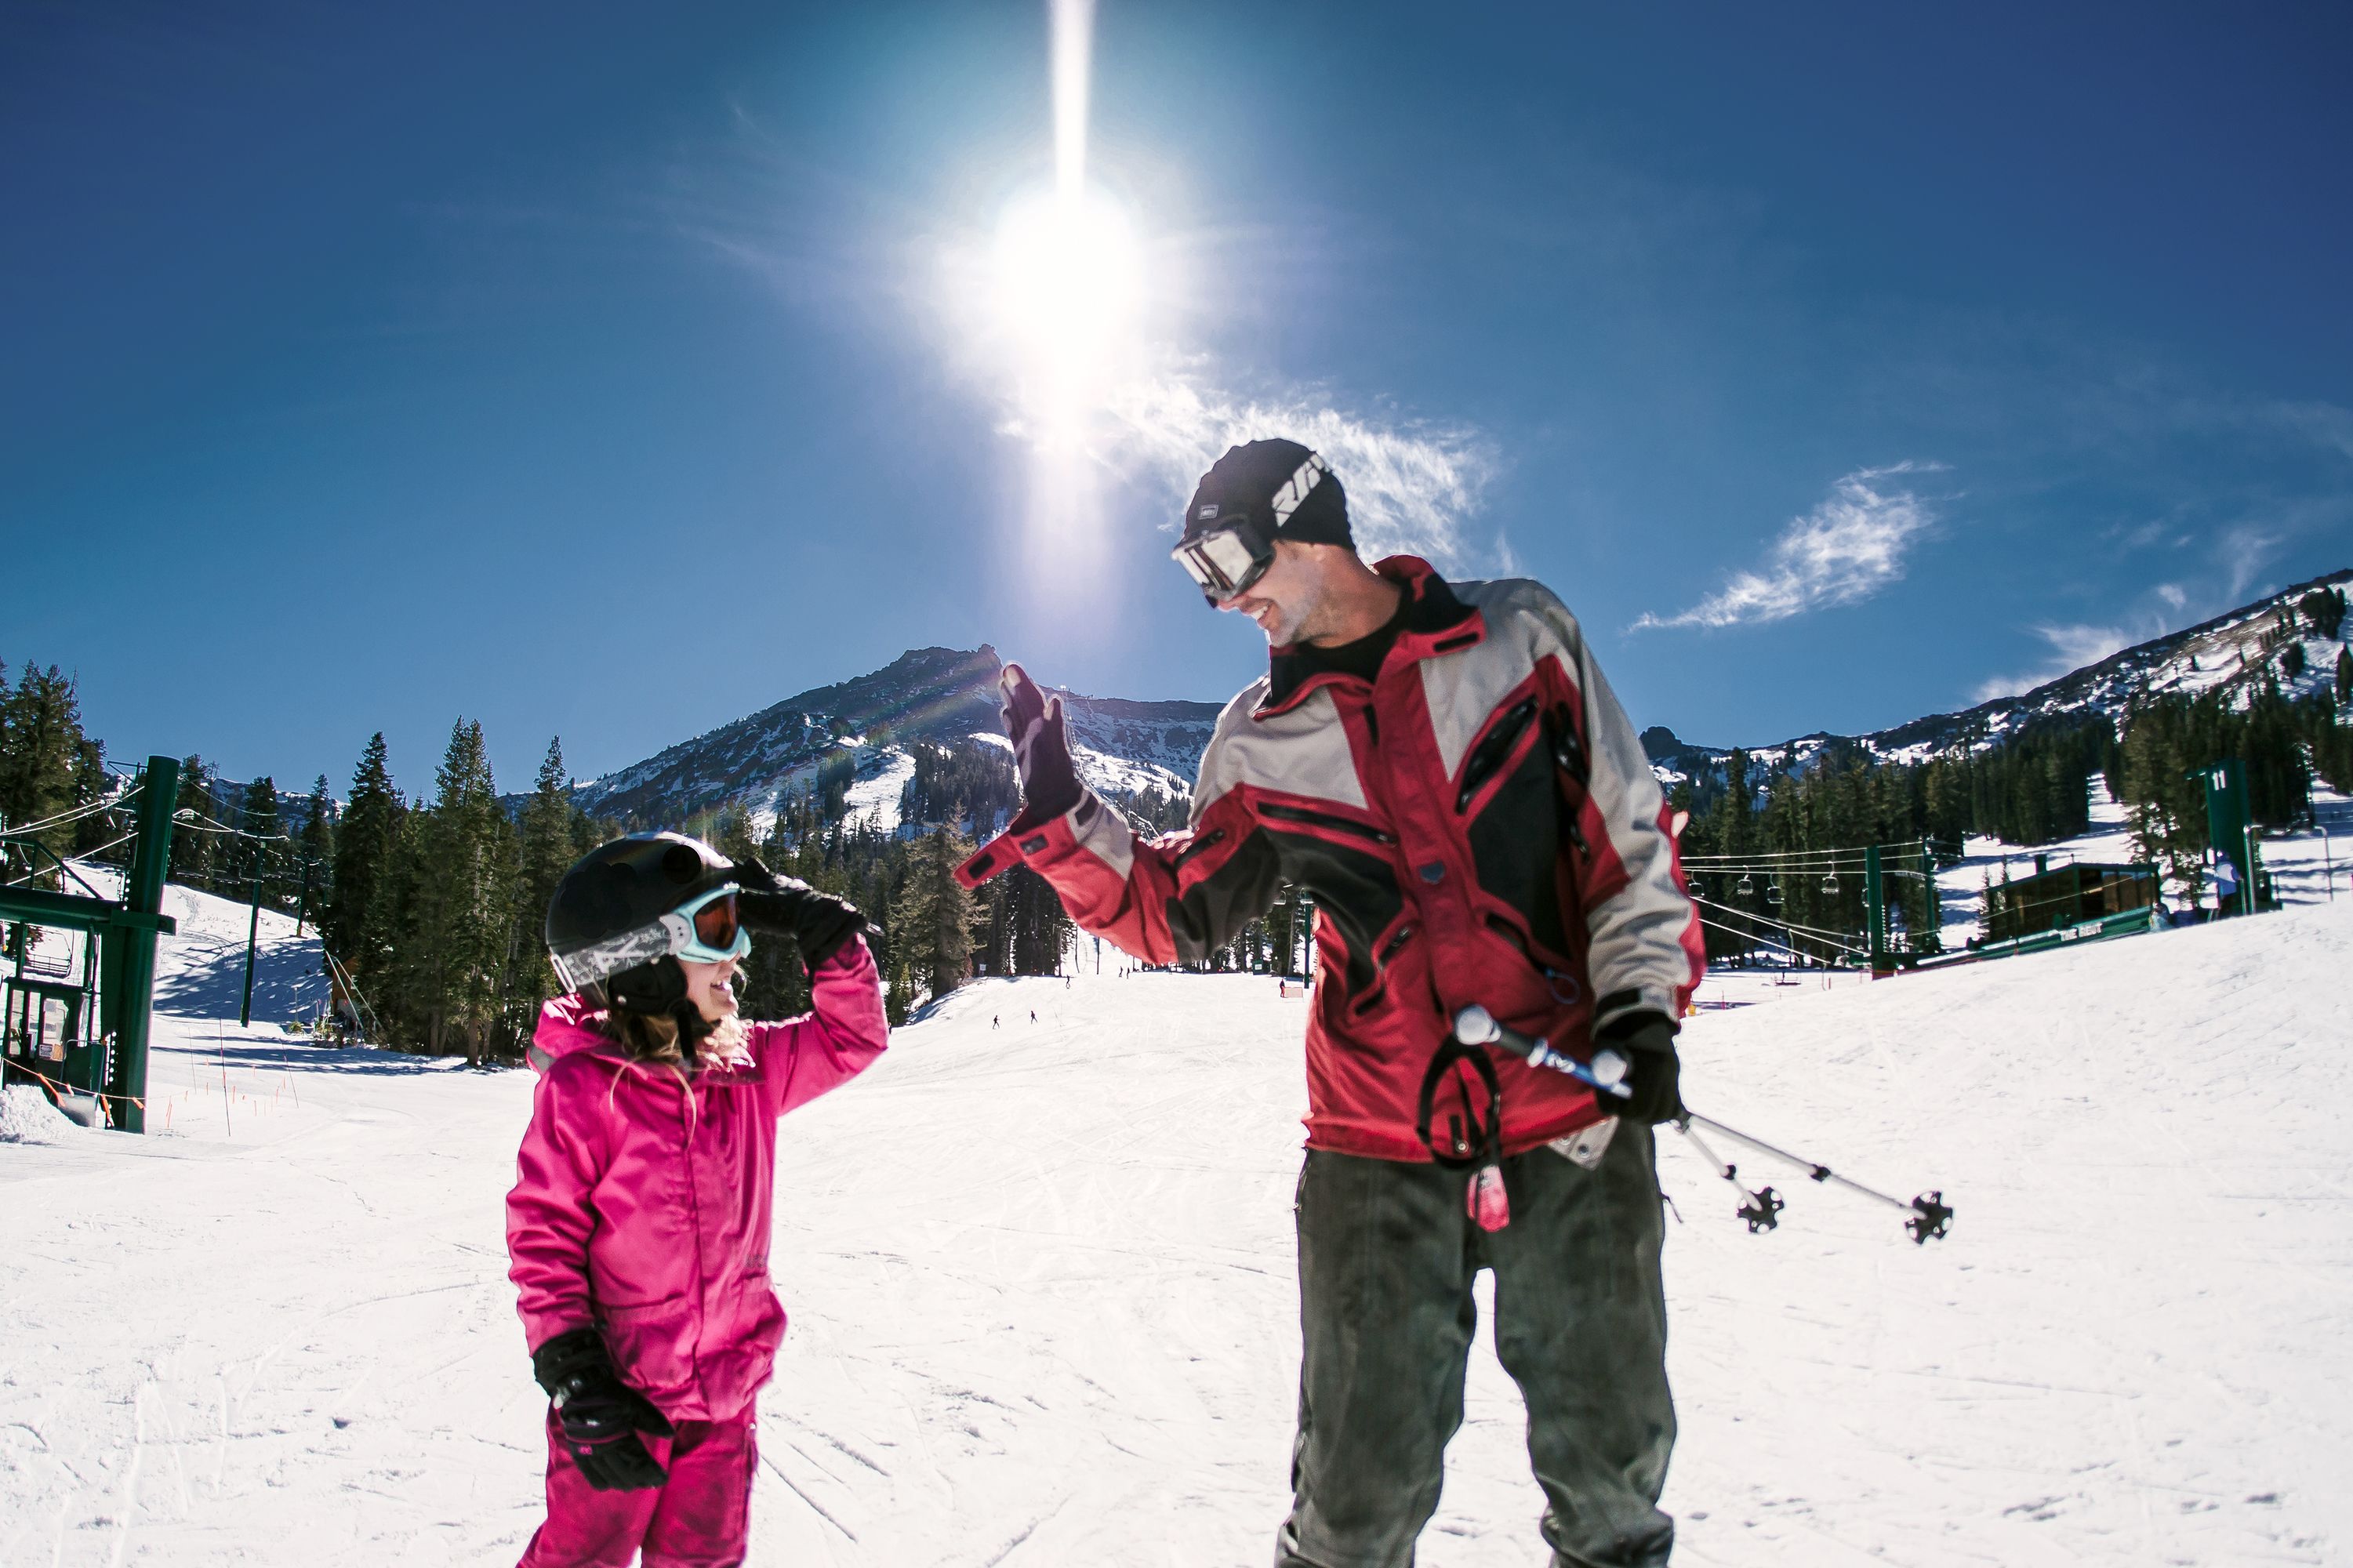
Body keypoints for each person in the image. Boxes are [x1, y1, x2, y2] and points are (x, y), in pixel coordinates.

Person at [958, 439, 1704, 1568]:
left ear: (1310, 526)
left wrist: (1642, 1011)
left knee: (1611, 1476)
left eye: (1229, 562)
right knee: (1355, 1500)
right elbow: (1179, 912)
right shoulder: (1259, 741)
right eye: (1195, 577)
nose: (1222, 598)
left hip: (1572, 1114)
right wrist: (1067, 816)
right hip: (1375, 1144)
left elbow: (1625, 840)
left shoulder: (1516, 640)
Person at [507, 831, 888, 1567]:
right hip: (623, 1398)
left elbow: (852, 1038)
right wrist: (574, 1371)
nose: (737, 954)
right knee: (582, 1556)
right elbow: (543, 1235)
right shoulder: (586, 1090)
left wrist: (823, 933)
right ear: (641, 963)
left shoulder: (747, 1073)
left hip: (723, 1402)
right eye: (716, 930)